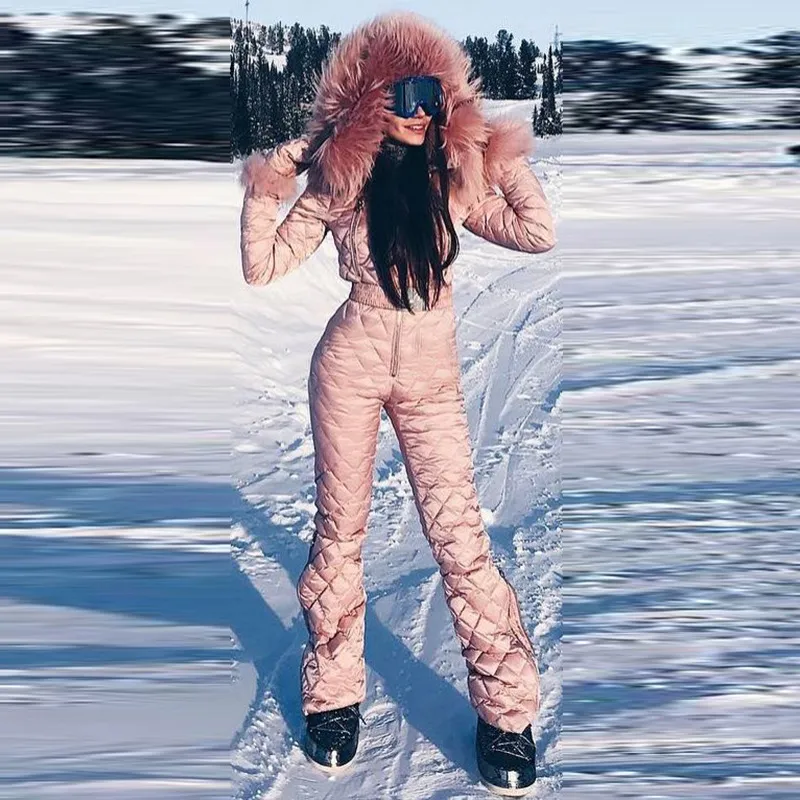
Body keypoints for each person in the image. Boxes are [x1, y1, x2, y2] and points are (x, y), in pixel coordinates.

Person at [238, 10, 556, 795]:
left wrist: (496, 151)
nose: (419, 110)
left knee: (458, 539)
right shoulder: (341, 187)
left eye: (432, 94)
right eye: (403, 94)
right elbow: (262, 265)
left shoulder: (456, 185)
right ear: (370, 102)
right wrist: (276, 173)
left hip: (429, 378)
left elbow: (536, 231)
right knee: (339, 533)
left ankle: (506, 713)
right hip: (348, 365)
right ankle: (333, 696)